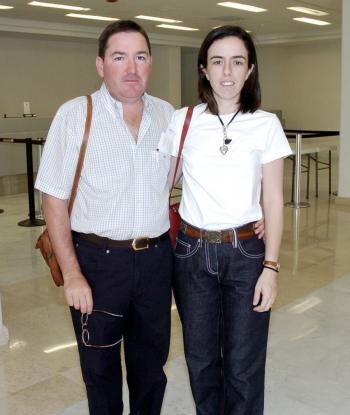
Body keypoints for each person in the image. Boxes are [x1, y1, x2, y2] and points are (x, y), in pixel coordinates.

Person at [35, 20, 175, 415]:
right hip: (98, 263)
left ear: (151, 62)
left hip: (155, 261)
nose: (132, 68)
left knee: (151, 367)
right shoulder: (75, 115)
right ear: (100, 65)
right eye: (119, 57)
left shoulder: (168, 117)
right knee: (99, 369)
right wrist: (73, 273)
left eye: (141, 56)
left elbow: (194, 181)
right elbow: (54, 200)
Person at [158, 26, 292, 415]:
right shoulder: (184, 121)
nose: (227, 72)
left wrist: (271, 265)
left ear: (250, 70)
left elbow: (273, 199)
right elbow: (162, 184)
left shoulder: (265, 125)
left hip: (246, 252)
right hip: (191, 252)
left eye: (237, 62)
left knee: (244, 364)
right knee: (200, 360)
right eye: (217, 61)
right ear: (204, 68)